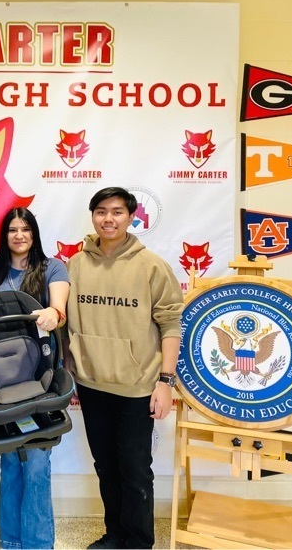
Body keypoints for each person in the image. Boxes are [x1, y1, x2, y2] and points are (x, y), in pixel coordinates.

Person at [65, 187, 184, 550]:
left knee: (134, 472)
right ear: (93, 216)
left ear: (131, 217)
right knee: (106, 467)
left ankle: (138, 541)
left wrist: (165, 381)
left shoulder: (151, 266)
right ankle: (115, 534)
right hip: (90, 383)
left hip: (136, 388)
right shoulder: (76, 264)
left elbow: (171, 325)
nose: (108, 219)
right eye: (101, 211)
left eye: (117, 212)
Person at [0, 207, 70, 550]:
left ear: (34, 234)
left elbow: (59, 308)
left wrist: (53, 311)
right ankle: (10, 543)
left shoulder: (53, 268)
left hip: (39, 381)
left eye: (25, 229)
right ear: (5, 236)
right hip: (0, 386)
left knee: (35, 462)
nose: (19, 235)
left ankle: (37, 545)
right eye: (12, 230)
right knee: (10, 462)